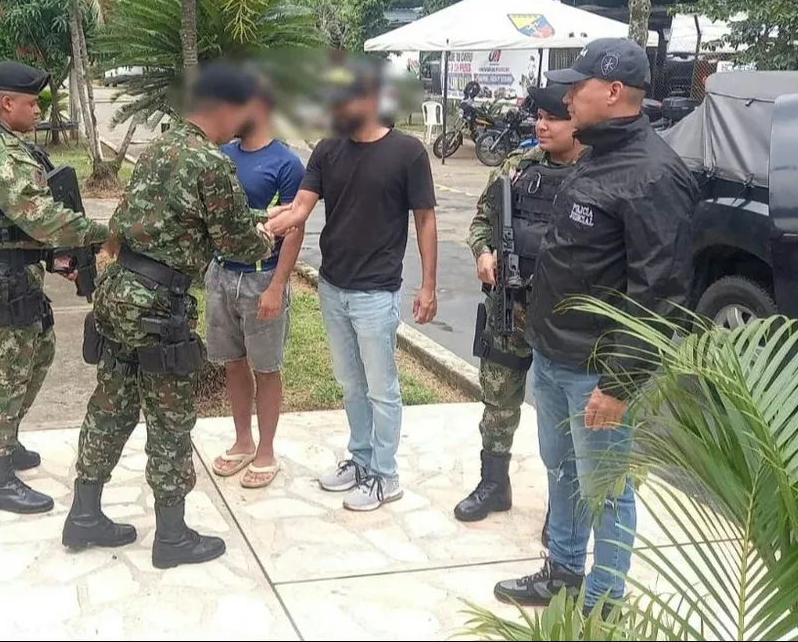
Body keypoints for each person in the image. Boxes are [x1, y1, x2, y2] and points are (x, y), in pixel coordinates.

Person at [493, 39, 699, 613]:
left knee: (608, 489)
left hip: (597, 370)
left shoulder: (654, 176)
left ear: (611, 93)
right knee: (561, 469)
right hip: (554, 356)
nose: (566, 95)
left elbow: (659, 295)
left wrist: (619, 384)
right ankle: (561, 571)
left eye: (577, 85)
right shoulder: (596, 156)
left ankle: (604, 600)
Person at [63, 63, 274, 569]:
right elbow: (235, 240)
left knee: (111, 404)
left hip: (118, 297)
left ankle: (85, 512)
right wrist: (267, 233)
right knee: (170, 416)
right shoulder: (210, 162)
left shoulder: (159, 147)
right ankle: (173, 536)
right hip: (158, 307)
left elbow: (132, 221)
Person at [265, 59, 439, 512]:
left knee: (382, 387)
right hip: (333, 285)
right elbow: (301, 207)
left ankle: (386, 475)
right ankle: (361, 460)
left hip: (377, 291)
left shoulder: (408, 152)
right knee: (350, 383)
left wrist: (428, 285)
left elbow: (425, 219)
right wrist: (274, 221)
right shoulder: (328, 150)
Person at [0, 61, 110, 515]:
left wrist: (52, 260)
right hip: (1, 275)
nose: (39, 110)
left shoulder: (2, 143)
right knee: (7, 368)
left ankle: (5, 441)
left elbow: (14, 224)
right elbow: (40, 218)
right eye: (31, 103)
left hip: (14, 268)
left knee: (37, 352)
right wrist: (102, 231)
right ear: (6, 103)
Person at [455, 84, 585, 537]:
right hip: (509, 307)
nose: (542, 126)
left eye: (554, 118)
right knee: (498, 397)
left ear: (577, 122)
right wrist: (483, 252)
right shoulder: (516, 168)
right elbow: (478, 221)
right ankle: (494, 484)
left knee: (561, 419)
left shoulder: (593, 177)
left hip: (564, 316)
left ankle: (563, 511)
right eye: (538, 117)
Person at [208, 79, 305, 489]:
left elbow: (295, 228)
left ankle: (266, 449)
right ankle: (243, 440)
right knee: (233, 362)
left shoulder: (287, 163)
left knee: (266, 367)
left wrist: (276, 286)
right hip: (220, 274)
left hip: (261, 274)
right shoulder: (222, 155)